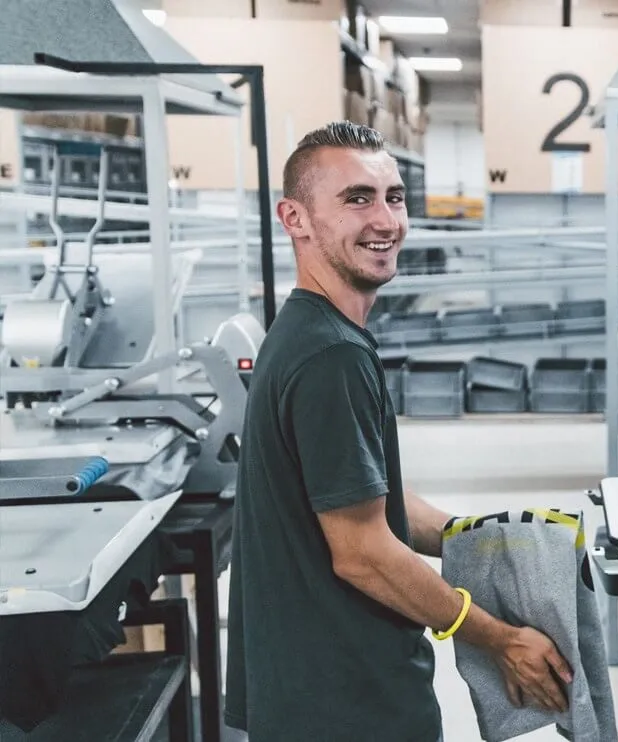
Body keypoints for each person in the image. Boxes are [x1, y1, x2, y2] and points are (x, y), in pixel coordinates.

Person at [224, 121, 573, 742]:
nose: (386, 220)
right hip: (347, 702)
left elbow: (367, 499)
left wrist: (495, 544)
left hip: (316, 689)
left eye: (394, 197)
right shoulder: (330, 356)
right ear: (295, 218)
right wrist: (501, 638)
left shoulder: (314, 332)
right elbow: (363, 554)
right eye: (357, 198)